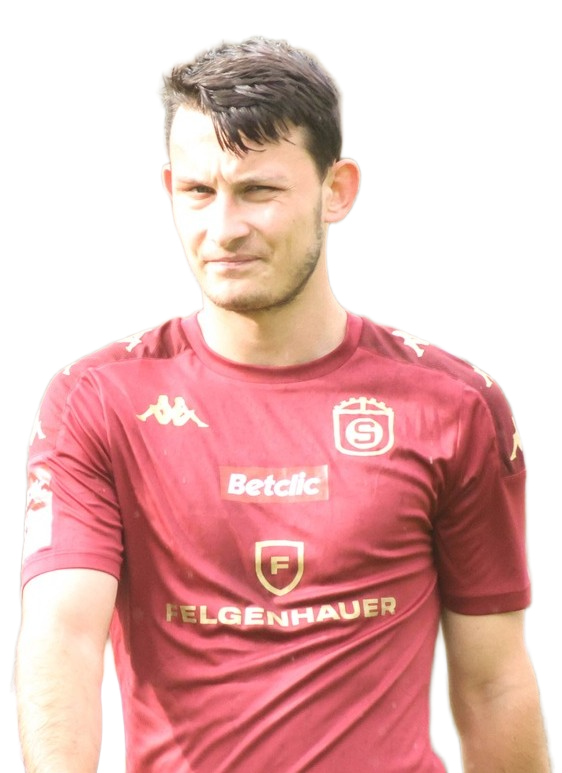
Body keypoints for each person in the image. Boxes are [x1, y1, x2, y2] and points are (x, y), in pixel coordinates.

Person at [12, 35, 553, 772]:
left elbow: (492, 681)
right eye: (198, 192)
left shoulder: (456, 404)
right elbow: (63, 642)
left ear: (338, 190)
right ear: (168, 189)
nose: (224, 229)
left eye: (258, 191)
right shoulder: (95, 400)